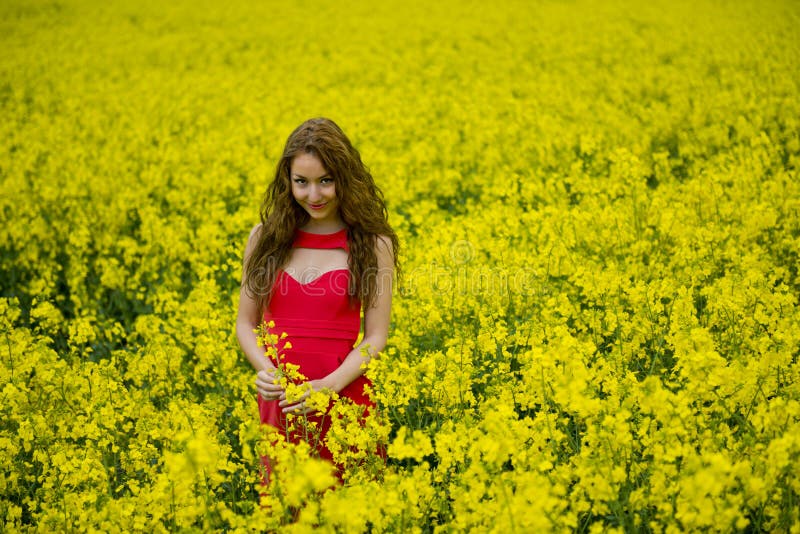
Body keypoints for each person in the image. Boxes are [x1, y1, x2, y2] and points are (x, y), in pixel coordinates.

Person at [236, 117, 398, 487]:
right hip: (282, 399)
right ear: (287, 181)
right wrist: (266, 370)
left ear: (345, 177)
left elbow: (375, 338)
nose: (314, 195)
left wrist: (330, 386)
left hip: (344, 396)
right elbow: (245, 323)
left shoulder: (374, 245)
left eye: (326, 180)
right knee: (284, 510)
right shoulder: (264, 239)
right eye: (302, 182)